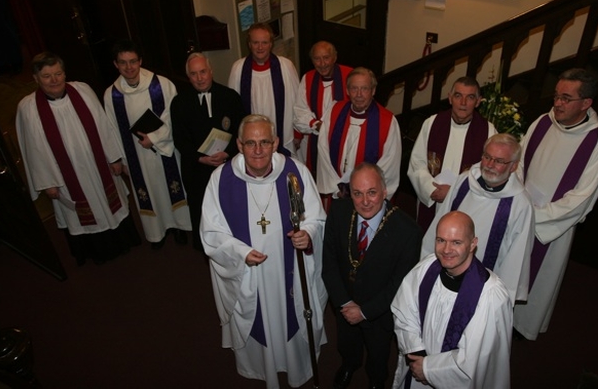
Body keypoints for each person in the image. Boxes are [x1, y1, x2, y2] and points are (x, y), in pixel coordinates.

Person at [200, 114, 327, 389]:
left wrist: (308, 235)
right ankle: (260, 365)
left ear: (276, 143)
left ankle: (295, 365)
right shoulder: (220, 180)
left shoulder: (296, 173)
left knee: (292, 311)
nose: (258, 150)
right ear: (239, 144)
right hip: (249, 273)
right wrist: (240, 252)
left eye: (265, 142)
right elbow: (211, 232)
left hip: (289, 271)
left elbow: (316, 218)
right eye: (250, 143)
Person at [513, 68, 598, 340]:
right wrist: (519, 201)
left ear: (586, 103)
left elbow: (582, 199)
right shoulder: (542, 122)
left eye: (566, 98)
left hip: (552, 227)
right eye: (556, 96)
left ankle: (522, 327)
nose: (557, 103)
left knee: (539, 279)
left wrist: (536, 215)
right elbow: (519, 162)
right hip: (519, 213)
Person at [16, 51, 141, 265]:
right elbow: (32, 149)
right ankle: (95, 252)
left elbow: (104, 126)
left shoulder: (82, 91)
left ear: (65, 73)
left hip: (98, 167)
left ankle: (123, 242)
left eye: (58, 74)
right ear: (36, 79)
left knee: (112, 204)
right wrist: (48, 182)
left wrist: (114, 158)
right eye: (47, 76)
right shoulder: (28, 108)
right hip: (65, 178)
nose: (54, 80)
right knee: (80, 214)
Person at [322, 162, 422, 389]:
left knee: (378, 354)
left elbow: (400, 284)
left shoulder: (408, 232)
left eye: (372, 192)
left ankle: (377, 381)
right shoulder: (338, 212)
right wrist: (345, 303)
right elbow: (329, 263)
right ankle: (349, 365)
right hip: (345, 304)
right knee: (347, 343)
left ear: (385, 192)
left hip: (380, 311)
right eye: (357, 193)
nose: (365, 201)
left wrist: (365, 311)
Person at [391, 211, 512, 389]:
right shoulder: (427, 267)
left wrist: (428, 368)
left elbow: (475, 358)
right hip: (417, 362)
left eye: (456, 242)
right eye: (441, 240)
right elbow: (404, 310)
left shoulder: (490, 296)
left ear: (473, 244)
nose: (446, 250)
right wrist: (415, 351)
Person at [419, 133, 534, 304]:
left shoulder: (520, 205)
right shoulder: (465, 181)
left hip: (483, 289)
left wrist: (499, 301)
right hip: (444, 271)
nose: (489, 165)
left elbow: (515, 261)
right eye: (487, 157)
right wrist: (425, 265)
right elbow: (440, 222)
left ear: (513, 166)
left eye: (499, 161)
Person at [103, 39, 191, 249]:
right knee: (149, 192)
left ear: (140, 61)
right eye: (123, 63)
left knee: (172, 187)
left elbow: (174, 115)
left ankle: (179, 226)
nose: (129, 67)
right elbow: (111, 129)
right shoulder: (111, 95)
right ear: (116, 64)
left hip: (166, 149)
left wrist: (155, 138)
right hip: (137, 157)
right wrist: (121, 159)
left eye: (133, 61)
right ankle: (156, 232)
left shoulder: (161, 85)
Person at [170, 53, 246, 250]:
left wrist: (228, 153)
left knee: (230, 205)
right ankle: (205, 245)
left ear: (211, 71)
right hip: (196, 168)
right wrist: (200, 158)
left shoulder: (230, 97)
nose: (200, 78)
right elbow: (180, 139)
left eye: (203, 72)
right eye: (194, 74)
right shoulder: (179, 103)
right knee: (200, 207)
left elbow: (241, 130)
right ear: (189, 77)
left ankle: (235, 241)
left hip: (227, 164)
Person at [407, 76, 496, 234]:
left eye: (470, 97)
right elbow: (417, 162)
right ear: (450, 98)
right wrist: (430, 189)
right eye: (458, 96)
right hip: (432, 201)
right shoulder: (432, 123)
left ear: (478, 101)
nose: (463, 103)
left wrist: (454, 193)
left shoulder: (488, 132)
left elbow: (488, 174)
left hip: (465, 206)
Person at [317, 67, 402, 205]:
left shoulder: (387, 121)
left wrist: (361, 192)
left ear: (373, 91)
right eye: (354, 88)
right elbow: (323, 151)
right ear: (347, 91)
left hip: (367, 199)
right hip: (337, 193)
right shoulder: (334, 112)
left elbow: (389, 164)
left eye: (364, 89)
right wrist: (337, 188)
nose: (359, 94)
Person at [228, 22, 299, 157]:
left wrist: (297, 133)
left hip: (283, 131)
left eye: (264, 42)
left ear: (271, 44)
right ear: (249, 44)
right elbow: (233, 108)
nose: (260, 47)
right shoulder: (238, 68)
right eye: (255, 43)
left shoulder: (286, 66)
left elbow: (298, 102)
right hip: (253, 137)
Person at [293, 41, 352, 177]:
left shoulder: (349, 75)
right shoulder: (308, 78)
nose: (322, 63)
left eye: (326, 57)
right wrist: (318, 126)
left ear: (334, 57)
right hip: (314, 139)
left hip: (344, 138)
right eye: (317, 59)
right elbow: (299, 112)